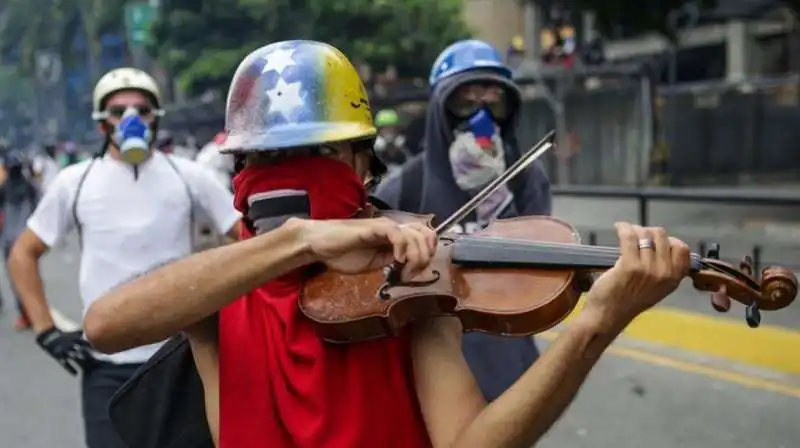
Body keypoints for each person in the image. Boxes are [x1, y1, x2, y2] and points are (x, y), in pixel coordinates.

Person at [80, 40, 707, 448]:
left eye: (318, 154)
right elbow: (106, 326)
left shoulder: (411, 273)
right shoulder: (220, 286)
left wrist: (594, 323)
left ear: (361, 166)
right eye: (267, 158)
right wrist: (300, 238)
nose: (289, 174)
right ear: (238, 172)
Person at [8, 67, 241, 448]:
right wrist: (46, 330)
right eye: (118, 111)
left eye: (142, 109)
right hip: (107, 371)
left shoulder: (190, 176)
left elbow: (249, 240)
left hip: (181, 362)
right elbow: (23, 253)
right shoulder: (75, 182)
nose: (131, 119)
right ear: (102, 124)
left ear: (156, 117)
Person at [374, 39, 551, 402]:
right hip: (430, 363)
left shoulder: (525, 179)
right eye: (465, 104)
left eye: (492, 104)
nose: (480, 119)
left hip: (507, 359)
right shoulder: (406, 184)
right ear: (441, 109)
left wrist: (499, 207)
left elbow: (537, 282)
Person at [1, 149, 38, 330]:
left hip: (10, 240)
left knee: (16, 277)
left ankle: (25, 313)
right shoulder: (30, 187)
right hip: (26, 238)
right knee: (30, 277)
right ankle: (32, 312)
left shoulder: (4, 188)